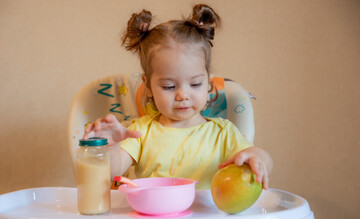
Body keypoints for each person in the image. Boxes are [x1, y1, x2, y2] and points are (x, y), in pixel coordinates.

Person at [83, 4, 273, 189]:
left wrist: (259, 158)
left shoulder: (223, 133)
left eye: (195, 84)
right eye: (169, 86)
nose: (182, 95)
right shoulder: (140, 132)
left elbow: (256, 157)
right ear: (148, 86)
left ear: (208, 83)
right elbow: (109, 174)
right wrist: (105, 149)